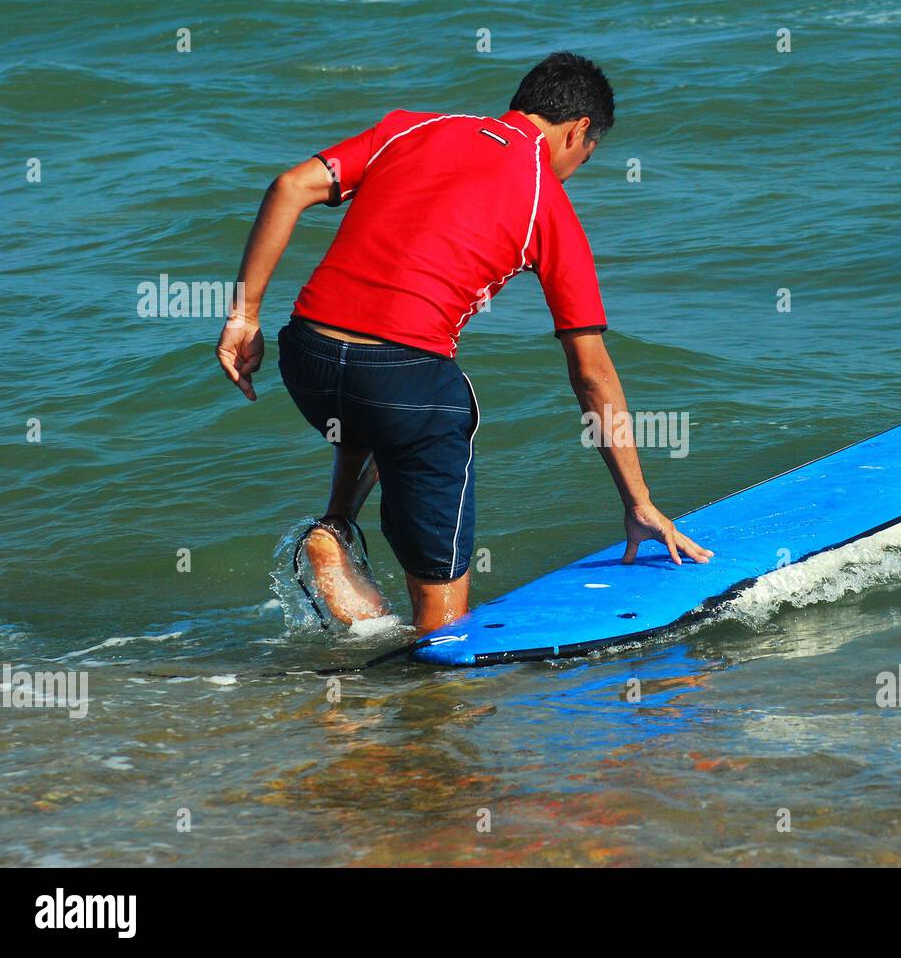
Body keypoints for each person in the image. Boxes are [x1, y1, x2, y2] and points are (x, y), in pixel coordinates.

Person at [215, 51, 711, 633]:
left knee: (378, 408)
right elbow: (591, 371)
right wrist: (638, 502)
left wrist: (243, 317)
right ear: (580, 132)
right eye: (588, 155)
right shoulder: (545, 201)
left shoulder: (412, 126)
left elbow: (290, 186)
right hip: (402, 383)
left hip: (308, 356)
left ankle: (336, 529)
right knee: (436, 417)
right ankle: (437, 673)